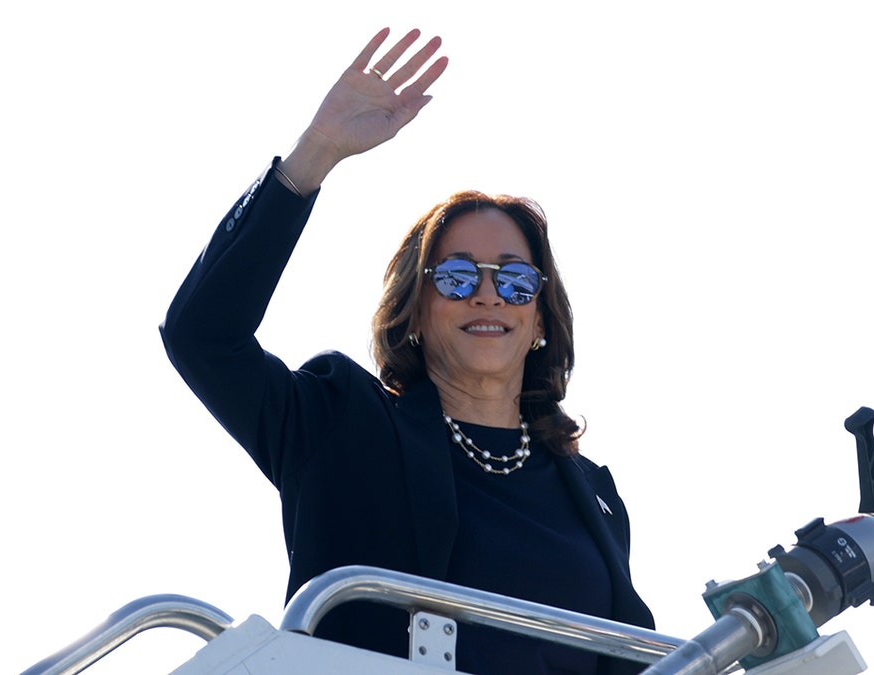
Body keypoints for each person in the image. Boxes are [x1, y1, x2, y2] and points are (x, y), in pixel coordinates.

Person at [160, 28, 655, 675]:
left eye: (512, 279)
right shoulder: (338, 422)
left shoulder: (592, 494)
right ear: (416, 309)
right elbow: (203, 334)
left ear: (538, 315)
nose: (487, 295)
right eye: (455, 276)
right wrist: (315, 155)